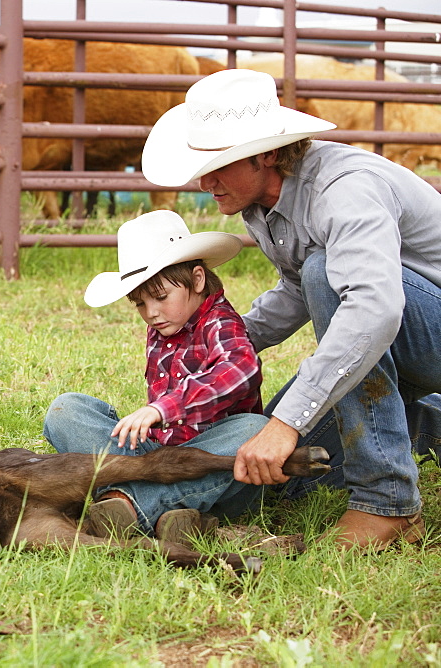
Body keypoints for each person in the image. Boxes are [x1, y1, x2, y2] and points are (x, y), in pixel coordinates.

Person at [141, 68, 441, 550]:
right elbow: (295, 291)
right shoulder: (260, 201)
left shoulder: (344, 189)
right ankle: (428, 426)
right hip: (408, 335)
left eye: (221, 163)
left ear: (269, 153)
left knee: (328, 276)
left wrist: (288, 423)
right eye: (203, 164)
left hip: (423, 327)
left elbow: (372, 309)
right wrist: (215, 343)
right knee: (282, 472)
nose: (205, 181)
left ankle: (387, 503)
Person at [43, 210, 268, 544]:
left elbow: (240, 370)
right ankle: (176, 517)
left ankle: (128, 505)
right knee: (66, 411)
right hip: (156, 460)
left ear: (198, 280)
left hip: (212, 467)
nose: (151, 312)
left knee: (255, 431)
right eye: (140, 303)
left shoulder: (220, 322)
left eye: (161, 297)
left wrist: (163, 409)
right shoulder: (163, 325)